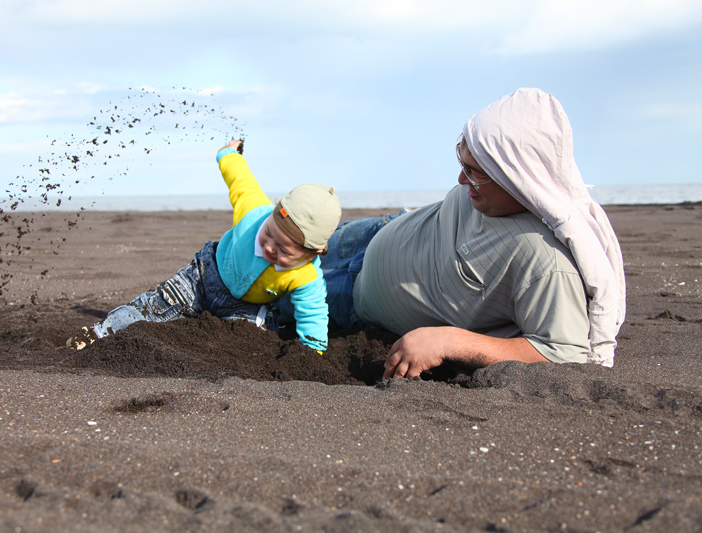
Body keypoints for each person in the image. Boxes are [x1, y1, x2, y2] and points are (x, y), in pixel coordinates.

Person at [315, 88, 626, 379]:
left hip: (352, 294)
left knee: (268, 278)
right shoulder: (491, 195)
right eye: (462, 161)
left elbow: (563, 354)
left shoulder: (547, 264)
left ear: (516, 176)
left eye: (474, 172)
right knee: (273, 232)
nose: (461, 179)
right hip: (376, 231)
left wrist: (448, 342)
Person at [67, 139, 342, 352]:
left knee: (251, 345)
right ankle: (100, 334)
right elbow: (240, 179)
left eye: (283, 250)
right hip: (203, 277)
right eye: (268, 233)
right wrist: (229, 153)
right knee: (155, 306)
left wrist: (312, 351)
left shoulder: (307, 275)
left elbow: (314, 313)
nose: (270, 247)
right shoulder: (254, 210)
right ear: (271, 215)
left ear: (310, 254)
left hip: (246, 307)